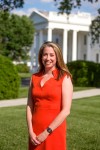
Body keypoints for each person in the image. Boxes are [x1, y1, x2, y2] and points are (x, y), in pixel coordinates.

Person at [26, 41, 73, 150]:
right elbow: (29, 106)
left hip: (54, 131)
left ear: (57, 57)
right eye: (45, 54)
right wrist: (30, 131)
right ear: (41, 56)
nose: (48, 58)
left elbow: (66, 110)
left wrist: (47, 132)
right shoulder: (34, 77)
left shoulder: (64, 77)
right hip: (35, 131)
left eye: (52, 55)